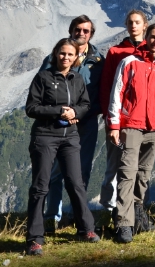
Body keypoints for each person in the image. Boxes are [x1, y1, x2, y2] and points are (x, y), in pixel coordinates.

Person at [25, 38, 100, 256]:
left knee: (76, 183)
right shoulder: (43, 77)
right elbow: (31, 108)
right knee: (40, 187)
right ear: (55, 53)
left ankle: (85, 229)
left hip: (70, 138)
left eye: (70, 54)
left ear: (76, 57)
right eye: (62, 53)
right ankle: (35, 239)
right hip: (45, 137)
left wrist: (76, 112)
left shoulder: (77, 79)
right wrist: (59, 111)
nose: (65, 57)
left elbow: (85, 104)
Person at [107, 23, 155, 244]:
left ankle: (138, 217)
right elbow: (116, 93)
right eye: (153, 37)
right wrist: (114, 125)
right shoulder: (130, 62)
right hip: (131, 125)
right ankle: (123, 223)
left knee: (143, 176)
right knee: (127, 173)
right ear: (146, 37)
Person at [41, 15, 104, 232]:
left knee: (82, 171)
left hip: (86, 122)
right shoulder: (57, 56)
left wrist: (82, 112)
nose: (81, 33)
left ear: (91, 34)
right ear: (71, 30)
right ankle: (52, 217)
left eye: (86, 30)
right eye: (77, 29)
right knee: (55, 171)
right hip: (58, 123)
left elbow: (101, 92)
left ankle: (79, 216)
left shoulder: (98, 60)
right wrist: (59, 112)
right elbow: (43, 86)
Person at [98, 10, 148, 220]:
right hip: (119, 119)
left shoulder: (151, 51)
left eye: (137, 22)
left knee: (138, 166)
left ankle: (133, 208)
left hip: (142, 121)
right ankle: (108, 209)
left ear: (145, 25)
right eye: (130, 22)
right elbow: (107, 86)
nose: (133, 26)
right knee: (114, 163)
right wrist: (110, 118)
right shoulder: (116, 51)